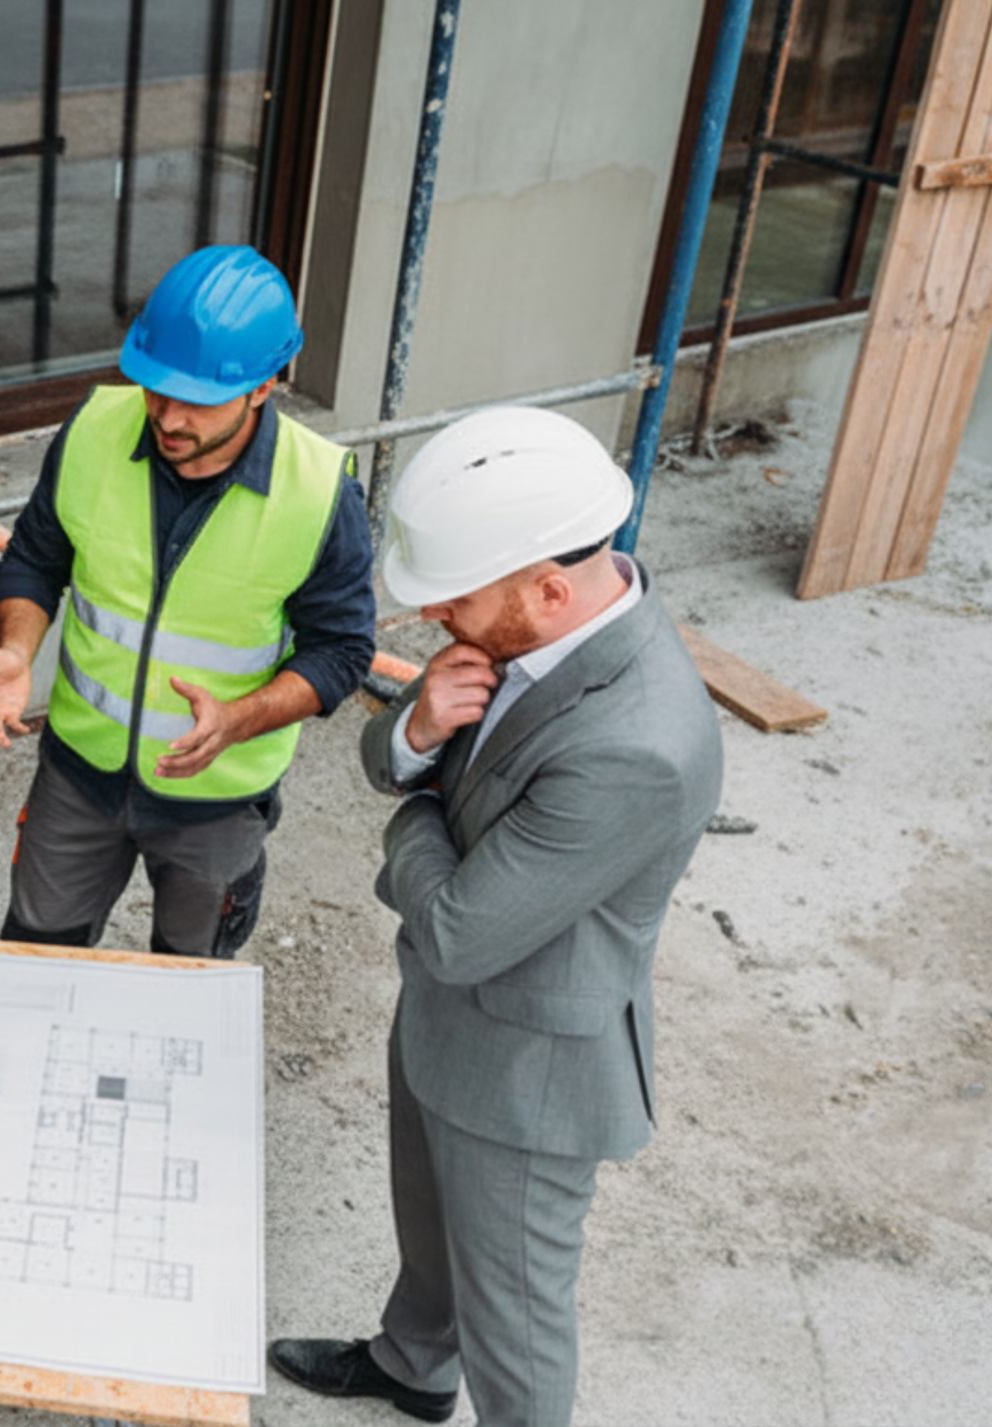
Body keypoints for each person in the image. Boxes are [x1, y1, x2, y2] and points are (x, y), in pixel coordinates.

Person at [267, 407, 725, 1426]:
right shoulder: (543, 632)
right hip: (452, 1020)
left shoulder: (637, 745)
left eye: (454, 601)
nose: (435, 623)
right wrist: (419, 729)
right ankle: (414, 1365)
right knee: (431, 1229)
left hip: (530, 1072)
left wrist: (417, 809)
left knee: (516, 1321)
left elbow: (456, 930)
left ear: (549, 586)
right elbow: (393, 758)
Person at [0, 244, 374, 959]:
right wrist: (16, 649)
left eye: (199, 398)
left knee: (189, 984)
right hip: (79, 774)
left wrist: (240, 718)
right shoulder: (94, 429)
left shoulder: (316, 492)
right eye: (157, 387)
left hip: (217, 801)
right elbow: (36, 558)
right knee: (32, 957)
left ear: (263, 386)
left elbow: (341, 649)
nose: (169, 415)